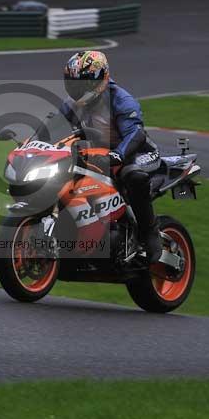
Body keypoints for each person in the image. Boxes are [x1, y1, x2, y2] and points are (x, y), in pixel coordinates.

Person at [59, 50, 166, 268]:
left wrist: (118, 155)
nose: (76, 89)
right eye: (73, 83)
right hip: (99, 153)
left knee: (133, 176)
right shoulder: (71, 103)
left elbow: (136, 134)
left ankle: (149, 232)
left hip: (137, 153)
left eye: (82, 84)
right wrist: (33, 143)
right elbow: (54, 127)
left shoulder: (121, 100)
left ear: (100, 79)